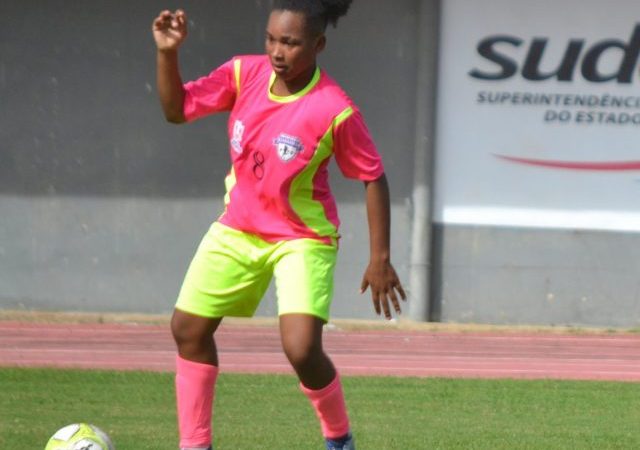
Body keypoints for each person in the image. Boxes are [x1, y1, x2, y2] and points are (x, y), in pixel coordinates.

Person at [152, 1, 405, 449]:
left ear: (318, 44)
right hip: (238, 229)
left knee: (302, 349)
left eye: (290, 41)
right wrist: (168, 53)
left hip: (301, 238)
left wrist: (379, 257)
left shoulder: (334, 109)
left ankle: (339, 439)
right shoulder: (242, 74)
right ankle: (195, 445)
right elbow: (177, 110)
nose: (277, 50)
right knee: (187, 330)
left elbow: (373, 176)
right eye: (271, 38)